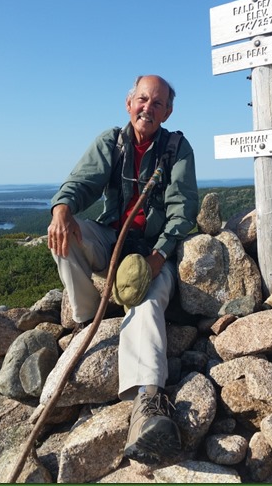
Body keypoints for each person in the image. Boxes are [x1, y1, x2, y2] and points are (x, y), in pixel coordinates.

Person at [47, 75, 198, 464]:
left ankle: (147, 402)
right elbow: (82, 183)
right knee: (64, 233)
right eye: (142, 99)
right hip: (112, 239)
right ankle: (85, 317)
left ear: (168, 111)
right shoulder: (111, 142)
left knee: (147, 303)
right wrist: (62, 208)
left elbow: (183, 211)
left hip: (153, 250)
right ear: (129, 103)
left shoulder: (177, 149)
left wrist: (159, 257)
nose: (148, 107)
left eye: (158, 103)